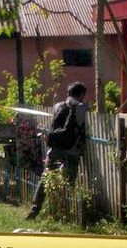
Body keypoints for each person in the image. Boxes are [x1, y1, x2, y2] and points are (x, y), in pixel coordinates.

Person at [27, 81, 88, 219]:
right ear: (81, 94)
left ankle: (35, 209)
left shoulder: (57, 106)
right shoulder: (81, 107)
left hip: (54, 148)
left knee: (46, 177)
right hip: (72, 150)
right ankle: (62, 212)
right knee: (68, 181)